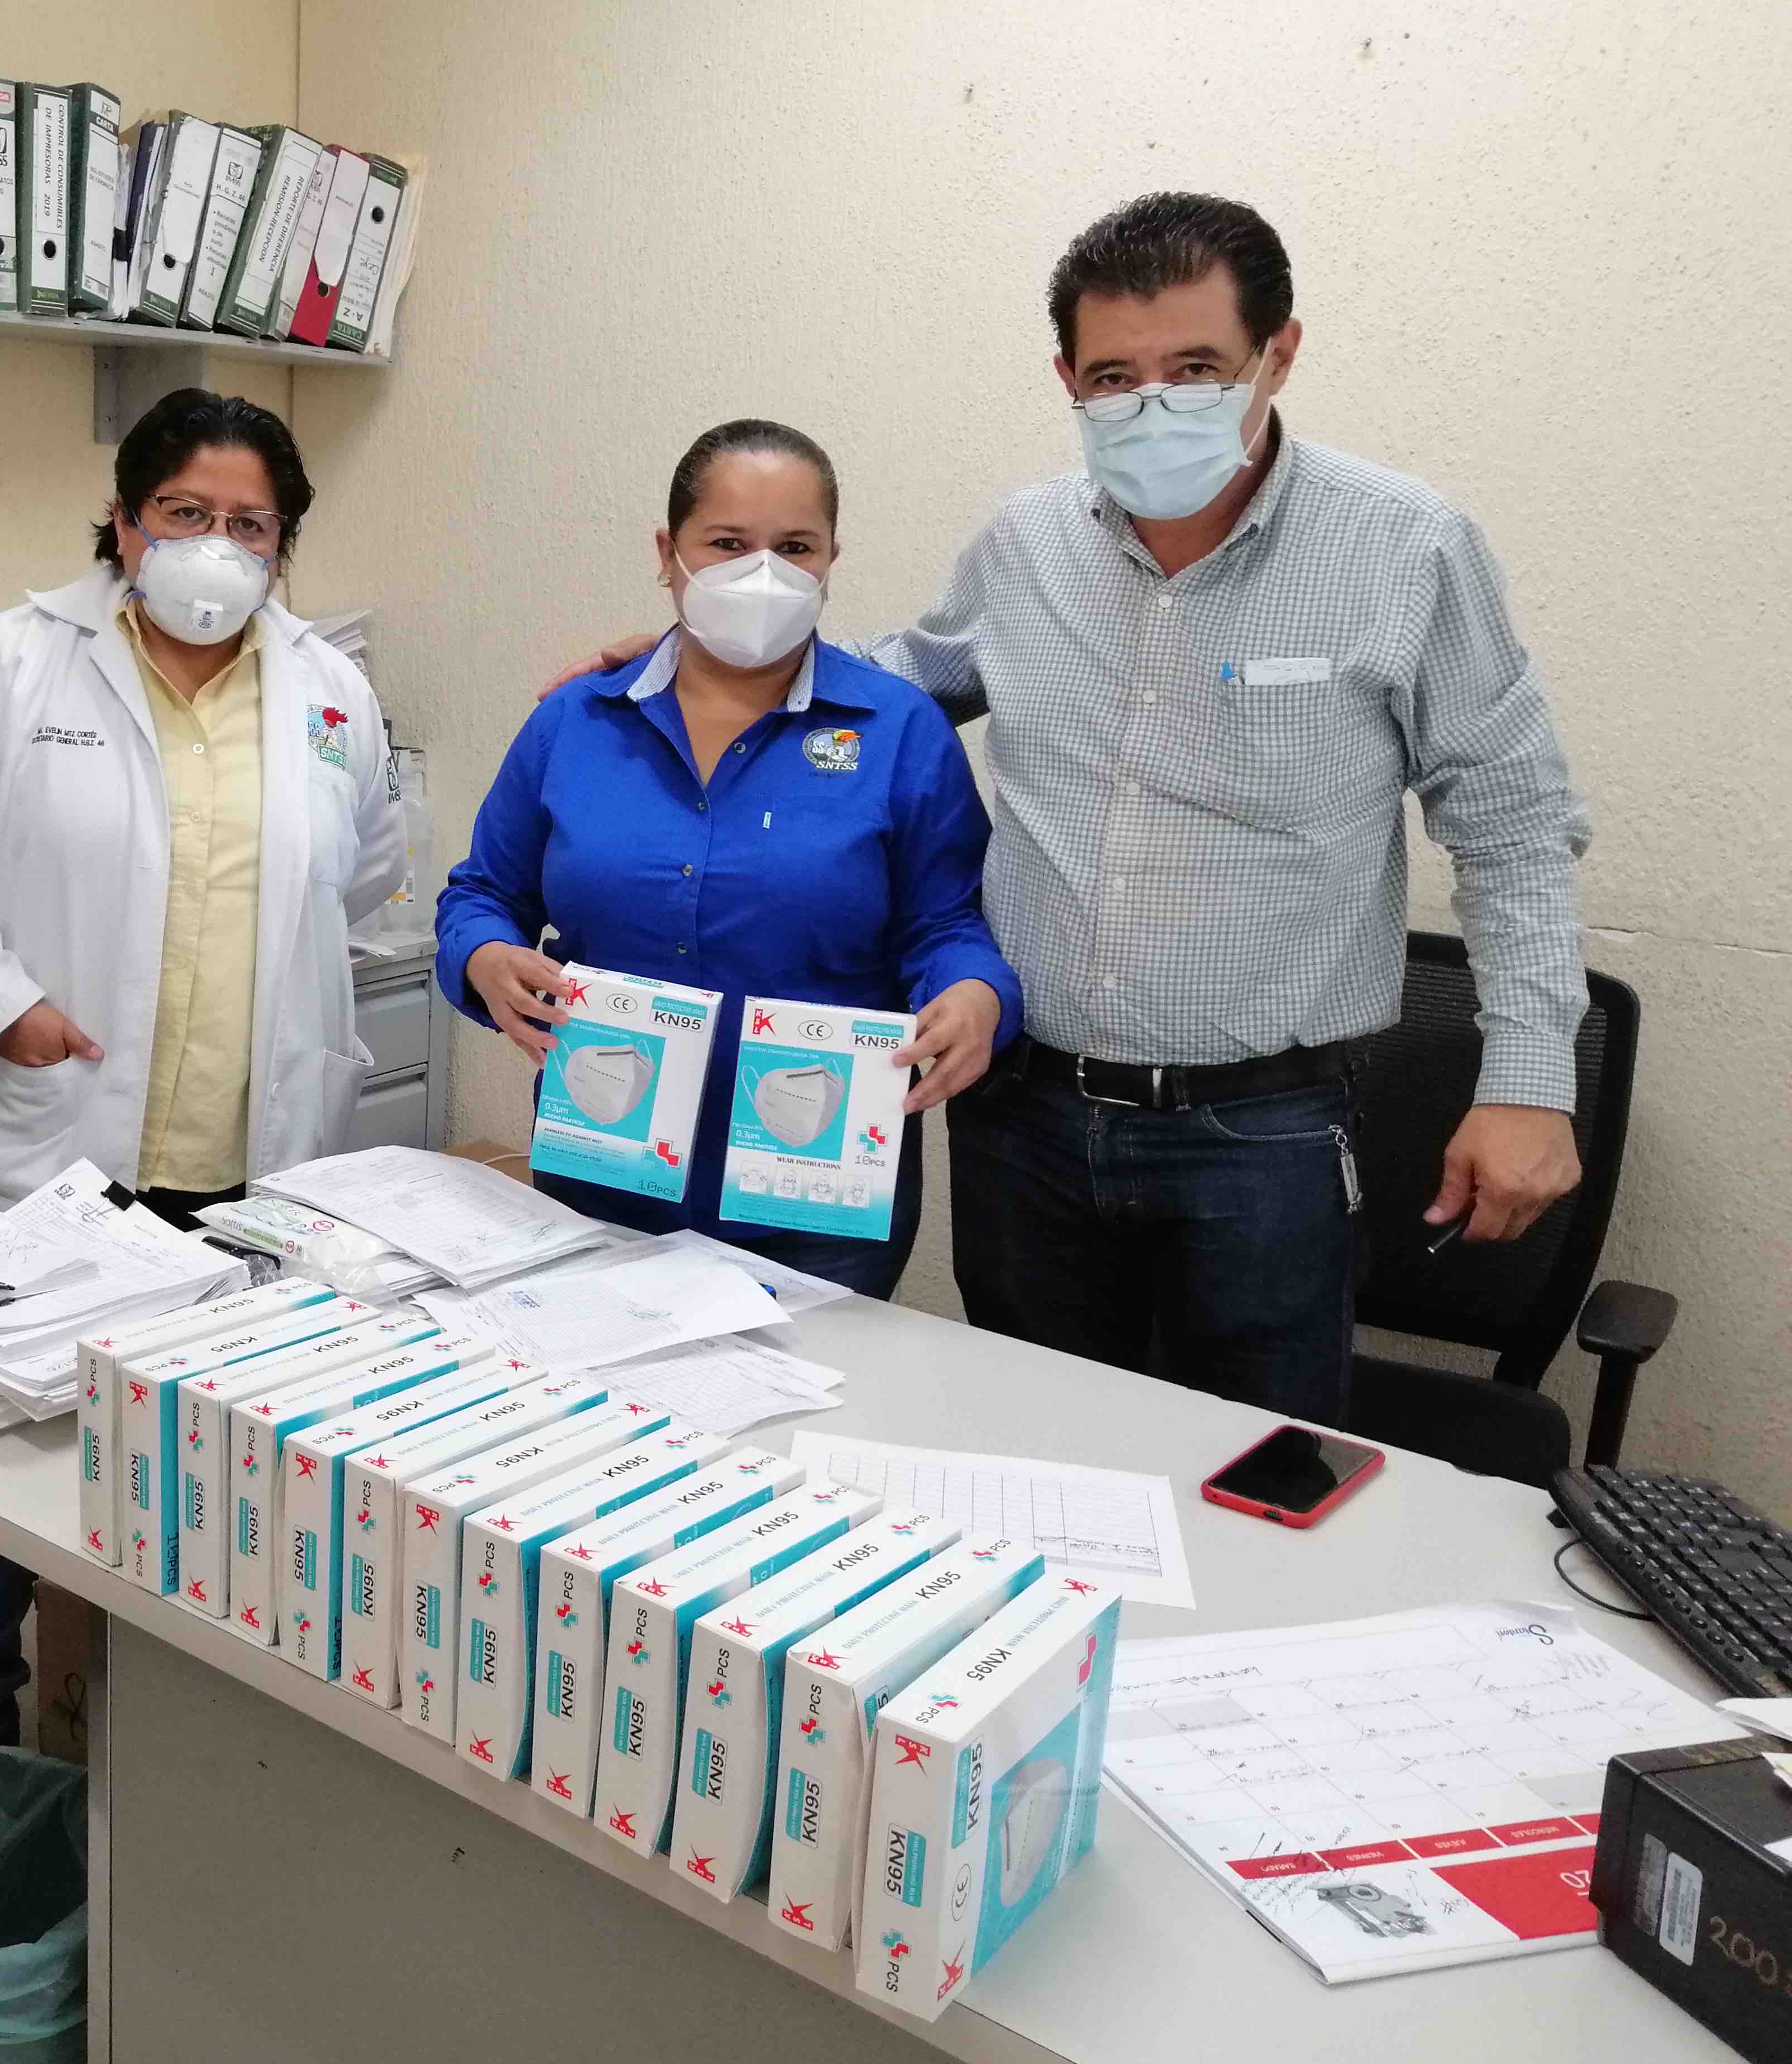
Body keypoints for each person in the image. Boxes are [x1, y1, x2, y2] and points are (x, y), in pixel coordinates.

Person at [558, 194, 1590, 1421]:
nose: (1151, 404)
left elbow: (1516, 824)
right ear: (1068, 379)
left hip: (1260, 1134)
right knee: (1028, 1452)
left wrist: (1531, 1079)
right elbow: (905, 681)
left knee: (1245, 1474)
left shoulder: (1406, 549)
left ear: (1278, 354)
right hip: (1023, 1119)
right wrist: (707, 664)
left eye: (1195, 369)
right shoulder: (1027, 544)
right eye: (1113, 377)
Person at [0, 386, 404, 1742]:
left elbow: (365, 869)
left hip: (248, 1158)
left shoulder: (330, 692)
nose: (214, 546)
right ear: (123, 522)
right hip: (54, 1141)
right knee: (7, 1458)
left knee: (216, 1469)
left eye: (249, 524)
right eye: (183, 512)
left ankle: (162, 1737)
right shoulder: (15, 659)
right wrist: (0, 1003)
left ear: (282, 544)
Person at [440, 420, 1023, 1295]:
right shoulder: (575, 722)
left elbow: (945, 925)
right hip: (599, 1172)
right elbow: (482, 893)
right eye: (728, 544)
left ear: (831, 560)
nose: (763, 574)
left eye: (795, 548)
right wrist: (485, 958)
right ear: (667, 553)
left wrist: (977, 995)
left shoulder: (901, 730)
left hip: (818, 1199)